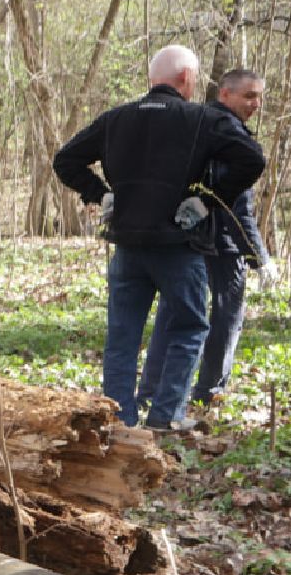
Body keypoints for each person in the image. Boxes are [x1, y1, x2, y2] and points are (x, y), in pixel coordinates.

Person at [53, 46, 265, 431]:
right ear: (186, 78)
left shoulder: (117, 118)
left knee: (122, 335)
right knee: (189, 327)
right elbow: (252, 159)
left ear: (154, 79)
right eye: (195, 78)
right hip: (177, 248)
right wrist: (206, 201)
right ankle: (165, 418)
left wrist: (100, 194)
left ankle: (119, 420)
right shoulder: (200, 119)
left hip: (128, 245)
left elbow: (65, 159)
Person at [136, 69, 278, 411]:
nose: (255, 104)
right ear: (224, 95)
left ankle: (151, 392)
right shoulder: (227, 133)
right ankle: (208, 392)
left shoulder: (193, 124)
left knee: (175, 316)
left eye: (259, 97)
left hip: (188, 240)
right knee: (225, 318)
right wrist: (260, 256)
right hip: (221, 243)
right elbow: (238, 206)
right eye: (248, 96)